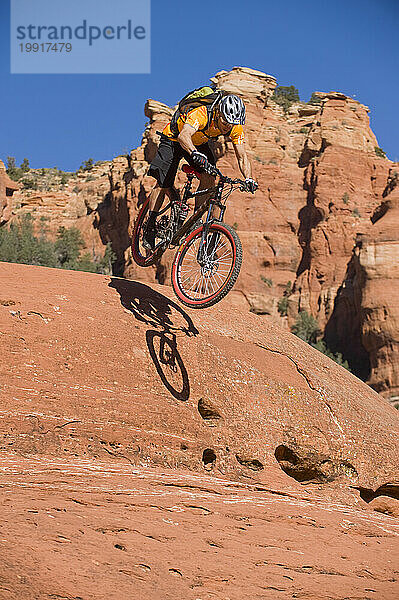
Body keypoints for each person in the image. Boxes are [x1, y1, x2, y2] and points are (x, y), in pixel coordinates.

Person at [144, 93, 258, 248]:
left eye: (231, 124)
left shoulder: (234, 127)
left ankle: (196, 218)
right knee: (164, 181)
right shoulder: (202, 113)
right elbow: (184, 136)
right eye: (225, 121)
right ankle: (149, 226)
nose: (227, 126)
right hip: (174, 138)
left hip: (198, 142)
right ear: (218, 111)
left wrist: (248, 178)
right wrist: (194, 153)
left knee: (210, 176)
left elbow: (242, 156)